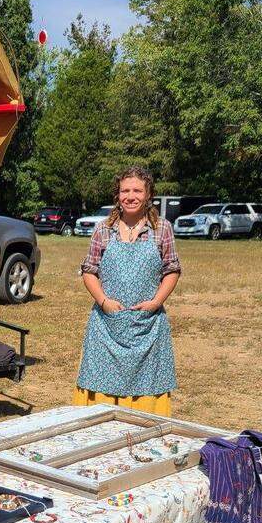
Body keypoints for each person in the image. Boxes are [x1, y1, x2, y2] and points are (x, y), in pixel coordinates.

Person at [74, 166, 181, 415]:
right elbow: (89, 270)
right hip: (106, 326)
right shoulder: (103, 229)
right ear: (117, 195)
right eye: (125, 190)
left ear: (148, 194)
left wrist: (156, 302)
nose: (130, 196)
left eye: (137, 190)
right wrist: (103, 301)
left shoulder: (162, 229)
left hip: (149, 325)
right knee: (99, 388)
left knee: (148, 390)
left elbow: (172, 270)